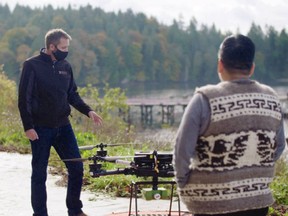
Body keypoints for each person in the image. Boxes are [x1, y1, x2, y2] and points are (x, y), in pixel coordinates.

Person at [173, 34, 286, 216]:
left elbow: (181, 150)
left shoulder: (204, 99)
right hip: (256, 202)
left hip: (209, 203)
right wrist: (253, 170)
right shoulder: (271, 98)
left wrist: (183, 183)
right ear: (252, 68)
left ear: (220, 64)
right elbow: (279, 146)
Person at [18, 28, 103, 216]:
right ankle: (40, 214)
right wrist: (28, 127)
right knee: (39, 174)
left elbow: (72, 94)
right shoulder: (32, 65)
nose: (66, 50)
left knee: (77, 167)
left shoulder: (66, 66)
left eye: (67, 47)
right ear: (51, 46)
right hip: (40, 128)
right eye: (63, 47)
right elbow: (24, 98)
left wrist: (89, 111)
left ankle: (75, 210)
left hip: (63, 126)